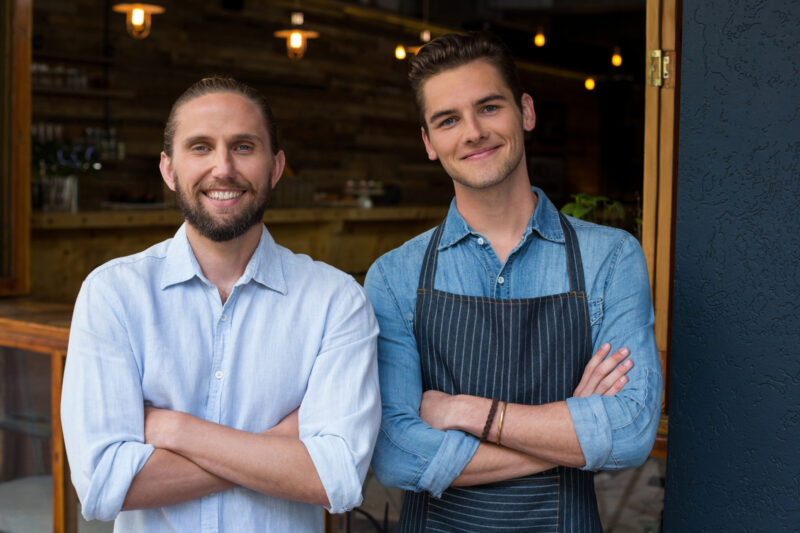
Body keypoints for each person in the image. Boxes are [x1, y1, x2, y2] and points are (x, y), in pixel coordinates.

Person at [364, 32, 662, 531]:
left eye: (489, 108)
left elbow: (631, 431)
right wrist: (572, 428)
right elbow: (395, 455)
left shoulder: (610, 258)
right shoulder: (394, 276)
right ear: (429, 143)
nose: (473, 132)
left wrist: (465, 411)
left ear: (525, 111)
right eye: (448, 120)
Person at [61, 76, 381, 532]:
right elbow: (102, 486)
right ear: (169, 169)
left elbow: (338, 478)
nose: (223, 168)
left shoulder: (336, 301)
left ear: (276, 167)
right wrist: (280, 446)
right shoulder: (112, 294)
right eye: (201, 147)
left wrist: (176, 430)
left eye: (243, 147)